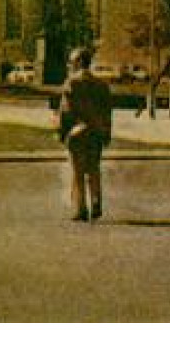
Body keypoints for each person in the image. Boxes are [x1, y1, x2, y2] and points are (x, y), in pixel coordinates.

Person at [58, 47, 114, 221]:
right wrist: (106, 133)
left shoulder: (71, 83)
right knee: (94, 169)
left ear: (79, 62)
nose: (70, 65)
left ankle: (81, 209)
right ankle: (96, 203)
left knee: (78, 173)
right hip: (96, 132)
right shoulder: (101, 85)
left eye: (72, 62)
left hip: (78, 132)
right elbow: (107, 112)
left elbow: (65, 111)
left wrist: (62, 133)